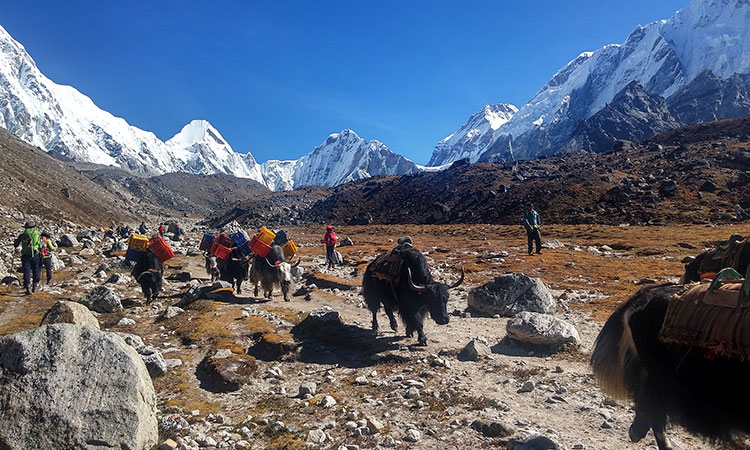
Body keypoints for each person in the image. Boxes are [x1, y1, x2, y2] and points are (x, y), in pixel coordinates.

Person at [13, 221, 42, 294]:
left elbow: (16, 244)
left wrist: (15, 242)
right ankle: (35, 285)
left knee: (26, 270)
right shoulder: (36, 234)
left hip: (25, 255)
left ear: (25, 227)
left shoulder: (22, 235)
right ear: (33, 227)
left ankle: (28, 286)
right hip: (35, 254)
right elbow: (40, 244)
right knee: (36, 269)